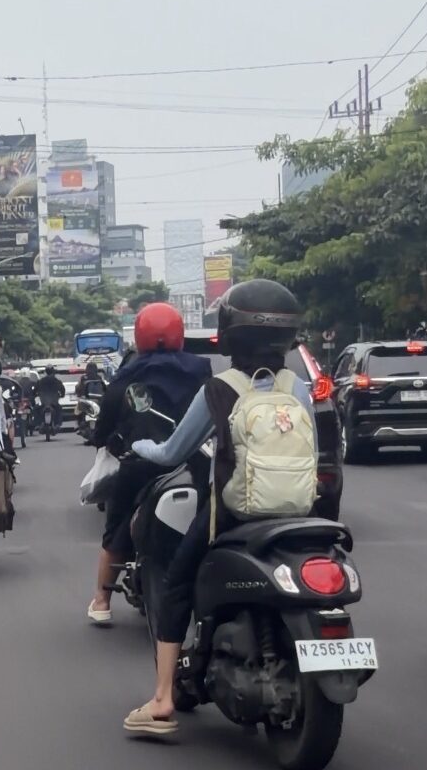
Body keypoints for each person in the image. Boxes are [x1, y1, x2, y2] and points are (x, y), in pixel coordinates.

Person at [122, 279, 314, 736]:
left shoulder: (220, 389)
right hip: (298, 515)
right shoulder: (299, 387)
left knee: (176, 584)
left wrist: (140, 445)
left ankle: (164, 697)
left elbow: (171, 453)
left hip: (233, 514)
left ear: (228, 334)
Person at [86, 303, 212, 626]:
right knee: (211, 519)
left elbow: (103, 426)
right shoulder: (200, 371)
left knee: (115, 529)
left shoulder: (127, 374)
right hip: (193, 463)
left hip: (140, 465)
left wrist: (105, 440)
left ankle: (102, 600)